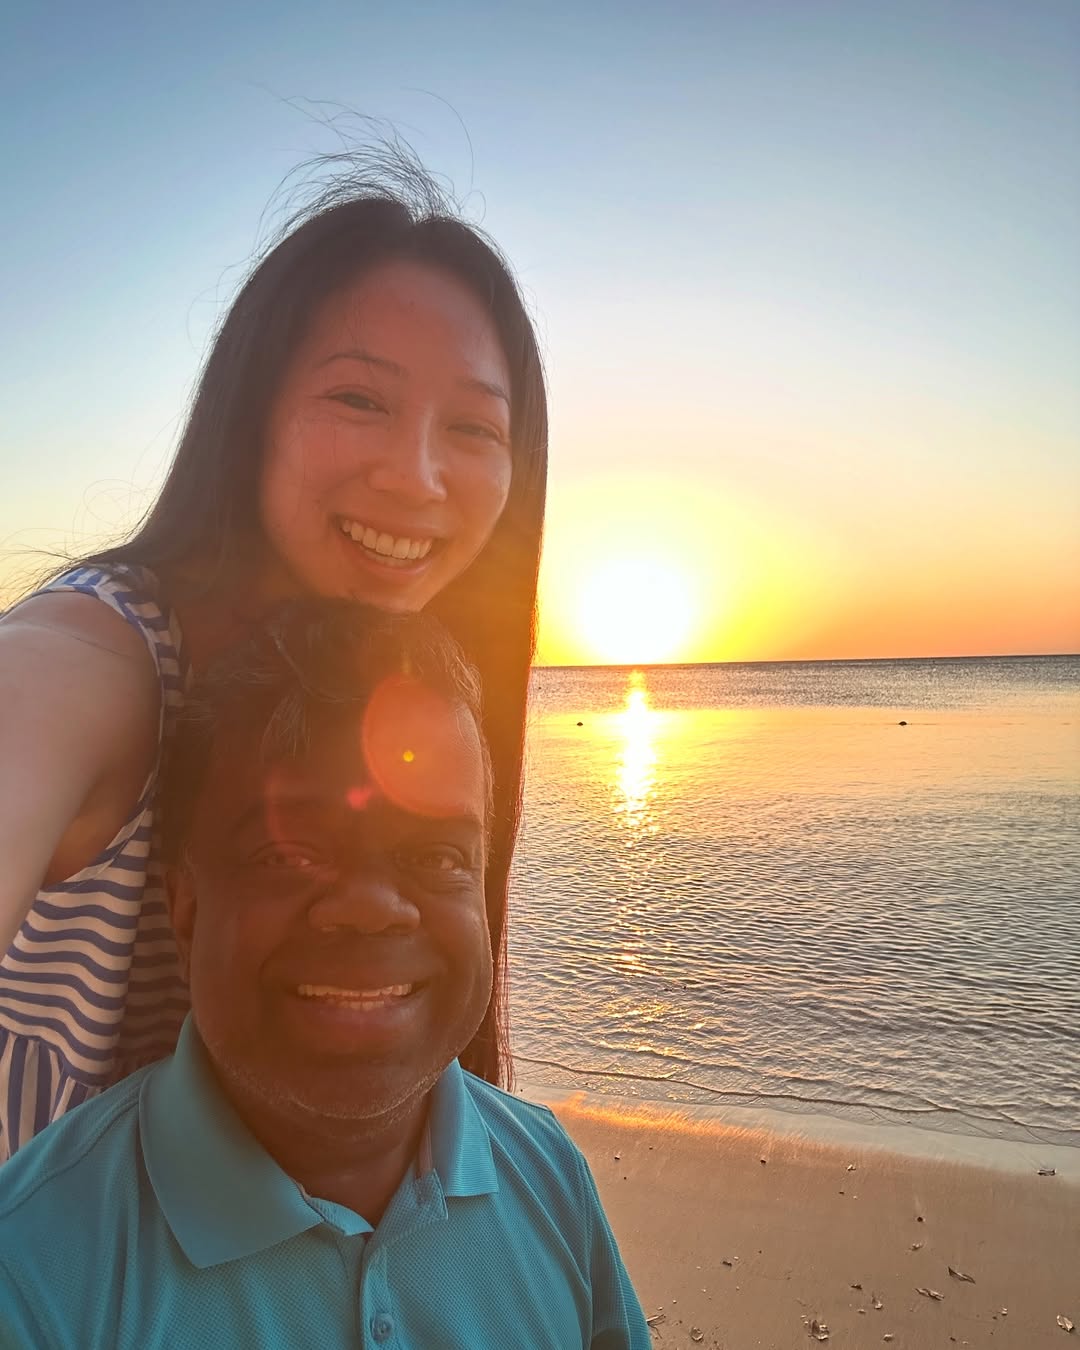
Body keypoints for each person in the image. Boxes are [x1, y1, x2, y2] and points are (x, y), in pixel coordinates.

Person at [0, 151, 547, 1159]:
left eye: (474, 426)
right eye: (359, 401)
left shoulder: (410, 697)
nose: (417, 477)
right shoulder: (104, 659)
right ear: (250, 415)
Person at [0, 603, 649, 1349]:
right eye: (287, 853)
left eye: (438, 855)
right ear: (185, 910)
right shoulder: (33, 1275)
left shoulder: (547, 1171)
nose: (370, 908)